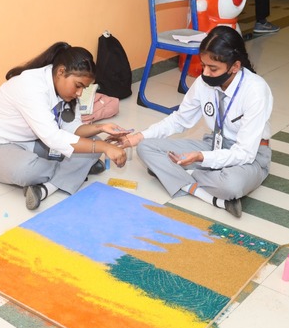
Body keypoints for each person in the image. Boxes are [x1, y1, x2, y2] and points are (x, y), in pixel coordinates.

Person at [115, 26, 273, 218]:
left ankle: (177, 175)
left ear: (235, 67)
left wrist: (200, 158)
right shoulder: (203, 82)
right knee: (145, 148)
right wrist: (138, 137)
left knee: (231, 185)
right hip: (213, 144)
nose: (205, 73)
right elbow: (180, 120)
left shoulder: (255, 90)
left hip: (251, 156)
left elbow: (244, 153)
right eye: (203, 65)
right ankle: (211, 197)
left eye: (213, 68)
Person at [0, 42, 128, 210]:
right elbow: (53, 137)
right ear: (61, 72)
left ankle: (45, 189)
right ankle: (75, 171)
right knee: (27, 171)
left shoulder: (65, 90)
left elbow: (72, 129)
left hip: (35, 142)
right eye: (78, 86)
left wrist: (101, 128)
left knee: (92, 141)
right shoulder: (30, 86)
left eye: (84, 88)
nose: (80, 93)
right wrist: (102, 147)